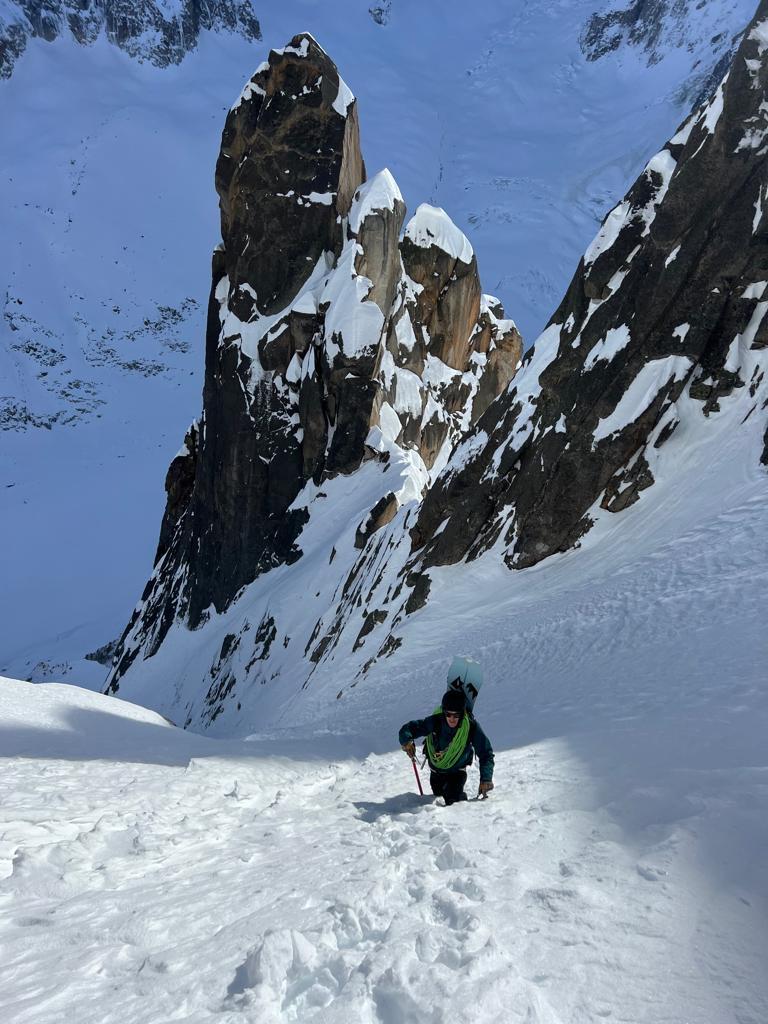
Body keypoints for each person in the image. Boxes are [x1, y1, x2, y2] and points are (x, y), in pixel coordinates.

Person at [399, 689, 494, 804]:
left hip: (457, 772)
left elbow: (486, 753)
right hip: (436, 770)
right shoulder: (436, 721)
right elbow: (409, 728)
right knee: (438, 792)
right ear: (444, 712)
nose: (452, 719)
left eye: (456, 715)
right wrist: (406, 741)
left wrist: (486, 778)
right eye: (448, 714)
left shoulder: (471, 727)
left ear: (462, 713)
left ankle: (461, 802)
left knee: (453, 800)